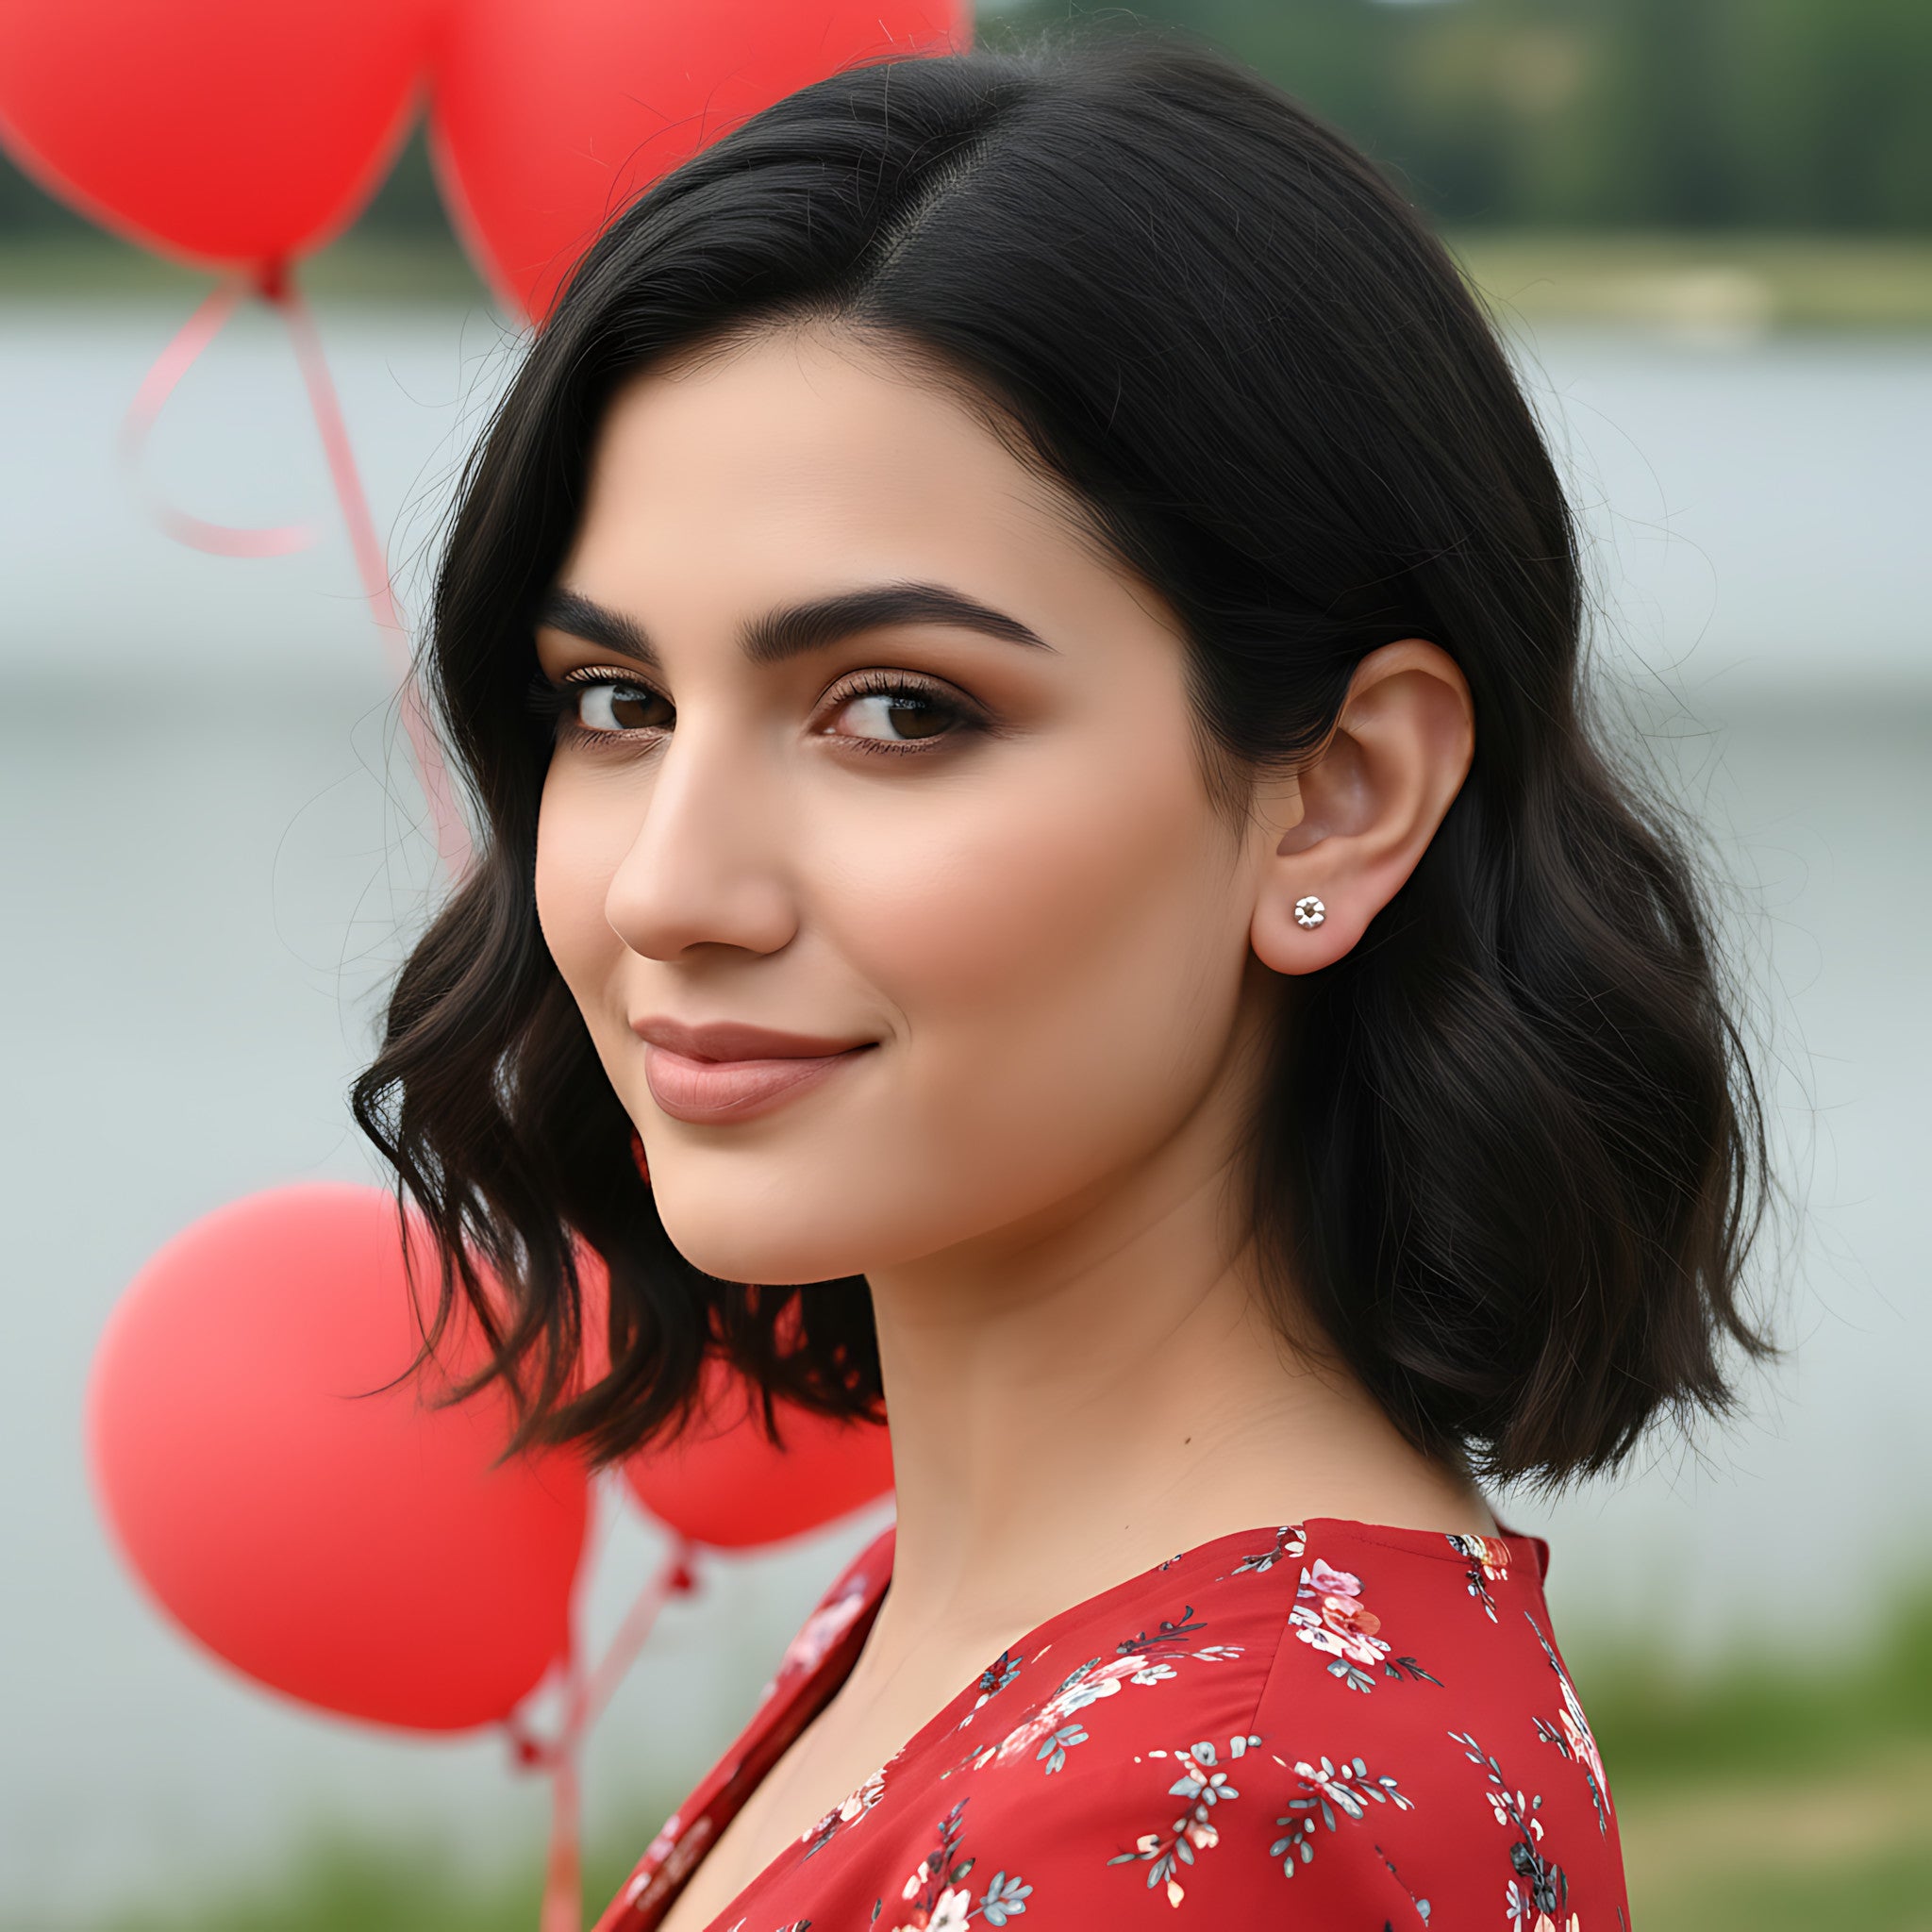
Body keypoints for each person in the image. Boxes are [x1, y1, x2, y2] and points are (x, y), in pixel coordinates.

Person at [351, 26, 1770, 1930]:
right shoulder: (1003, 1624)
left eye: (897, 710)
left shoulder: (1205, 1817)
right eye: (615, 702)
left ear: (1339, 799)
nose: (668, 889)